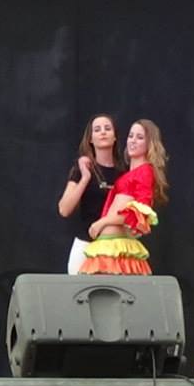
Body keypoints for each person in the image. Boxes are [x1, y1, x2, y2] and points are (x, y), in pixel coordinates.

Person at [78, 119, 168, 275]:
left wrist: (103, 222)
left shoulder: (145, 171)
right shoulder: (130, 173)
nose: (133, 140)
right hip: (110, 243)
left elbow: (139, 212)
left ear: (149, 144)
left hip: (116, 245)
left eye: (140, 137)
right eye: (131, 136)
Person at [58, 114, 124, 274]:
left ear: (115, 136)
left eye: (107, 128)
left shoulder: (124, 171)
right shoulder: (81, 169)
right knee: (79, 287)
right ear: (90, 139)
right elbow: (64, 209)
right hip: (86, 243)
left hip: (114, 245)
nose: (103, 132)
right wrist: (85, 178)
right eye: (97, 129)